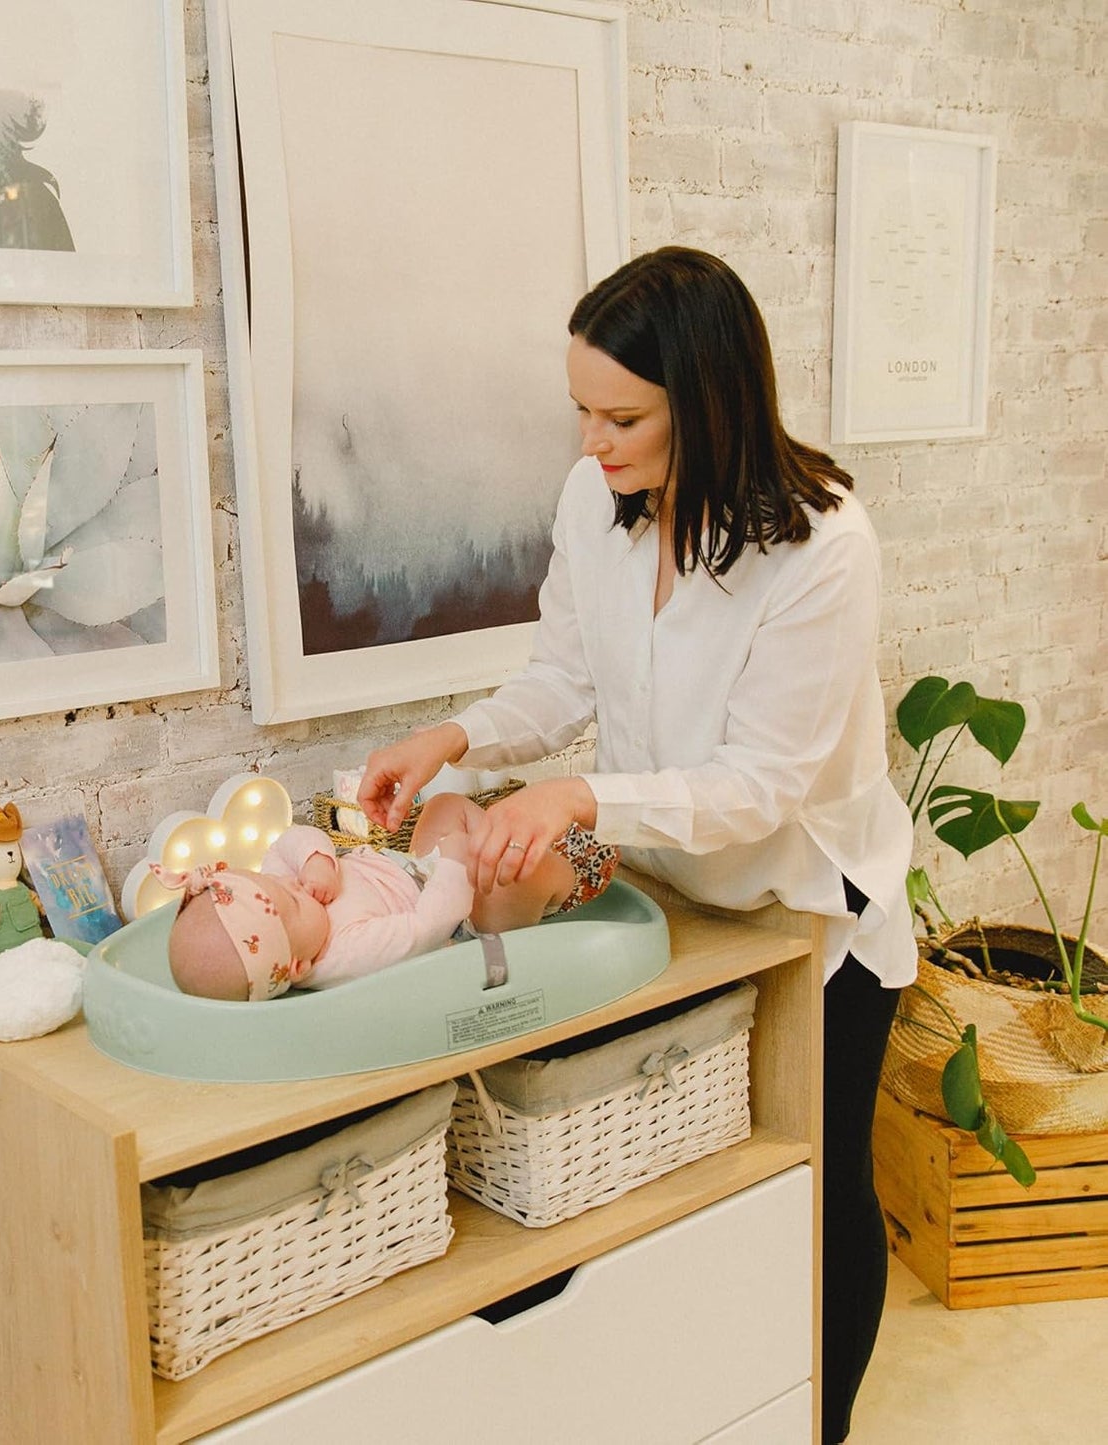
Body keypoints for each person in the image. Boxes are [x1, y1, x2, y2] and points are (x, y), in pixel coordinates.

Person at [357, 246, 916, 1445]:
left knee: (820, 1189)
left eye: (621, 416)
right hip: (676, 895)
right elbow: (564, 675)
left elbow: (761, 788)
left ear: (706, 402)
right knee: (699, 1195)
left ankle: (819, 1422)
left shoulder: (820, 550)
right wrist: (451, 737)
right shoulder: (592, 501)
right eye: (580, 409)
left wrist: (576, 801)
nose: (589, 442)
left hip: (806, 904)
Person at [157, 793, 618, 1002]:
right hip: (462, 919)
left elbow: (283, 846)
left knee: (445, 806)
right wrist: (457, 860)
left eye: (280, 884)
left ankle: (512, 839)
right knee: (515, 876)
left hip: (416, 871)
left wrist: (317, 858)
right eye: (295, 901)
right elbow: (427, 927)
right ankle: (571, 878)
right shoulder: (346, 953)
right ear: (299, 967)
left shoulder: (283, 900)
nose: (295, 885)